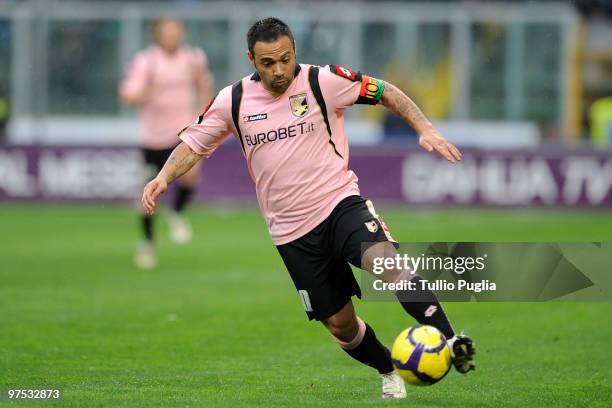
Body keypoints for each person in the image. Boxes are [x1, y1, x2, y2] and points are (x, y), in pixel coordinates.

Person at [142, 17, 475, 399]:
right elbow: (194, 144)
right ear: (251, 58)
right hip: (291, 232)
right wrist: (163, 178)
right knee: (340, 326)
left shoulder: (324, 81)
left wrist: (424, 127)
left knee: (388, 264)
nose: (279, 70)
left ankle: (452, 341)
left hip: (339, 204)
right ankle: (389, 371)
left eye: (285, 59)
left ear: (295, 50)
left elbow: (385, 91)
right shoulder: (231, 101)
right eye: (268, 63)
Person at [120, 18, 213, 269]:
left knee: (192, 176)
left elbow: (204, 86)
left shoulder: (193, 58)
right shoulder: (147, 61)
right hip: (153, 137)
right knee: (150, 191)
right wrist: (144, 94)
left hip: (182, 132)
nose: (172, 36)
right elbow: (127, 94)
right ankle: (148, 243)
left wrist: (203, 115)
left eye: (176, 32)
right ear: (157, 35)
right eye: (167, 32)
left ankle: (177, 212)